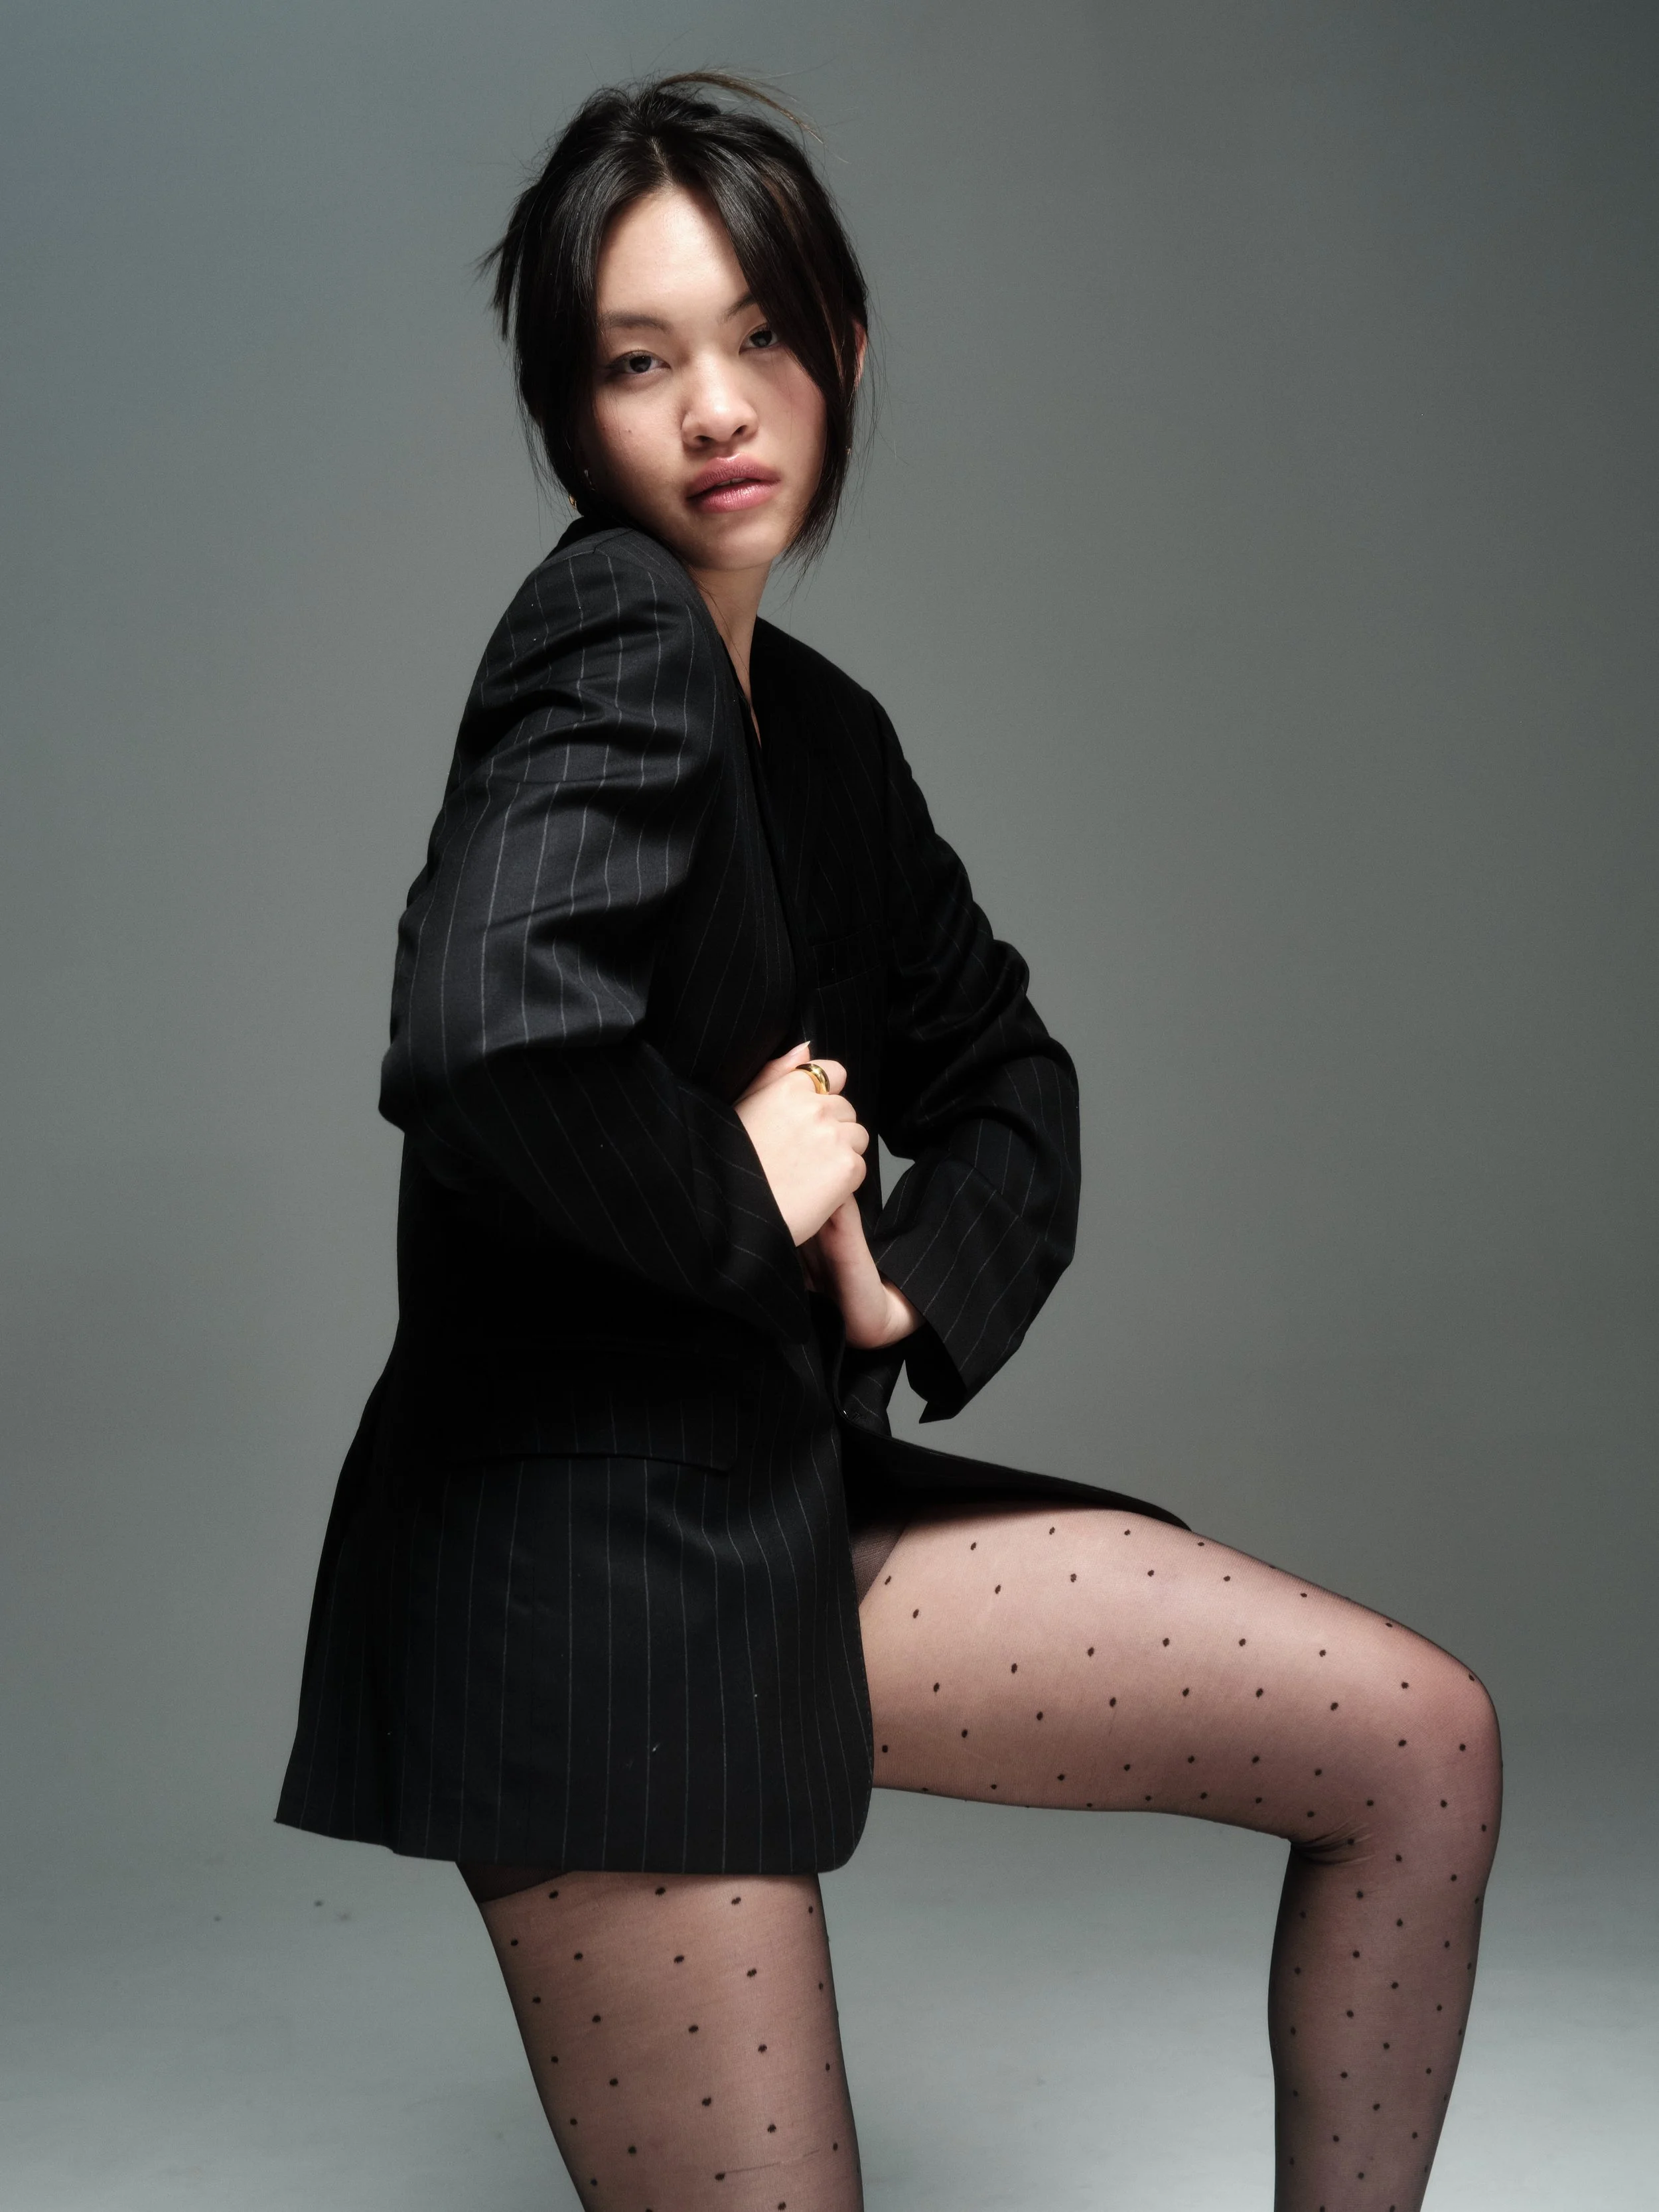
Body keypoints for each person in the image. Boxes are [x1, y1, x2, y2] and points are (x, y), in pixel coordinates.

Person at [277, 72, 1500, 2211]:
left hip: (766, 1515)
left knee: (1413, 1743)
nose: (714, 407)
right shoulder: (613, 628)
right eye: (638, 362)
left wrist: (892, 1281)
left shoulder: (823, 732)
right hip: (574, 1583)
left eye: (758, 336)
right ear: (571, 416)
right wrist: (738, 1185)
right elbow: (479, 1034)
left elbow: (1008, 1070)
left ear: (842, 347)